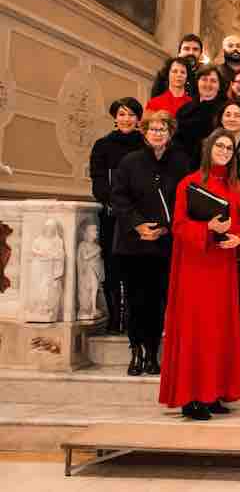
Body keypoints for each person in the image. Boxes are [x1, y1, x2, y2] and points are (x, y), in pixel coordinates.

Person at [159, 130, 240, 420]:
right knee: (197, 330)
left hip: (223, 267)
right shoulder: (190, 183)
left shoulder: (236, 187)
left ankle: (214, 392)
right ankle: (191, 396)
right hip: (195, 268)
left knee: (220, 330)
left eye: (229, 148)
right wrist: (208, 228)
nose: (224, 151)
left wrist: (238, 240)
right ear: (208, 148)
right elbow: (180, 227)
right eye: (219, 146)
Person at [110, 111, 191, 376]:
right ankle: (136, 352)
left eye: (162, 129)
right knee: (136, 299)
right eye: (153, 129)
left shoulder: (181, 163)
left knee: (157, 301)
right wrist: (138, 225)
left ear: (170, 133)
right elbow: (119, 198)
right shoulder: (129, 162)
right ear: (144, 132)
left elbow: (186, 199)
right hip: (134, 243)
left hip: (165, 243)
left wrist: (165, 228)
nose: (157, 133)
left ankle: (153, 352)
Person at [89, 97, 145, 334]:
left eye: (131, 114)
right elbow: (98, 183)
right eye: (122, 114)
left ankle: (136, 318)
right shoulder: (102, 146)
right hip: (113, 216)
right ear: (115, 118)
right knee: (113, 268)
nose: (126, 119)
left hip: (141, 217)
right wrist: (116, 204)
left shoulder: (146, 145)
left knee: (139, 268)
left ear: (138, 119)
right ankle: (115, 319)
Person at [174, 65, 224, 169]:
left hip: (210, 165)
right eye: (204, 79)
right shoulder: (184, 109)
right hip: (181, 164)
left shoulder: (224, 110)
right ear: (197, 83)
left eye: (213, 81)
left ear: (220, 86)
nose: (208, 84)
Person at [150, 35, 203, 99]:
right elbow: (155, 100)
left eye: (195, 49)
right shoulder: (164, 75)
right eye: (186, 49)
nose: (191, 52)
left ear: (200, 55)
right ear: (179, 53)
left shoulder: (204, 77)